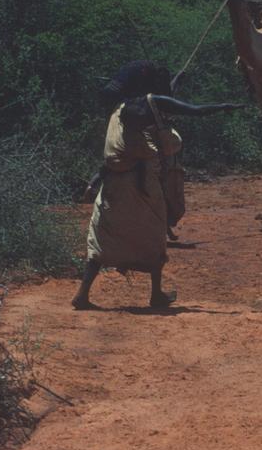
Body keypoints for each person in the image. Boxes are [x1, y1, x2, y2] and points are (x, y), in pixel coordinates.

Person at [73, 93, 242, 311]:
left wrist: (93, 183)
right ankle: (155, 295)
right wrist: (223, 105)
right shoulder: (143, 144)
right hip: (142, 192)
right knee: (153, 238)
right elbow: (191, 116)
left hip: (113, 190)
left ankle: (82, 293)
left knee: (100, 240)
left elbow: (109, 163)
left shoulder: (118, 127)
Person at [97, 61, 186, 239]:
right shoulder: (148, 99)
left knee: (115, 164)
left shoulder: (133, 95)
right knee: (159, 175)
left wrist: (178, 79)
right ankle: (161, 225)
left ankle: (95, 182)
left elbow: (167, 97)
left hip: (126, 139)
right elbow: (169, 100)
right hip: (143, 141)